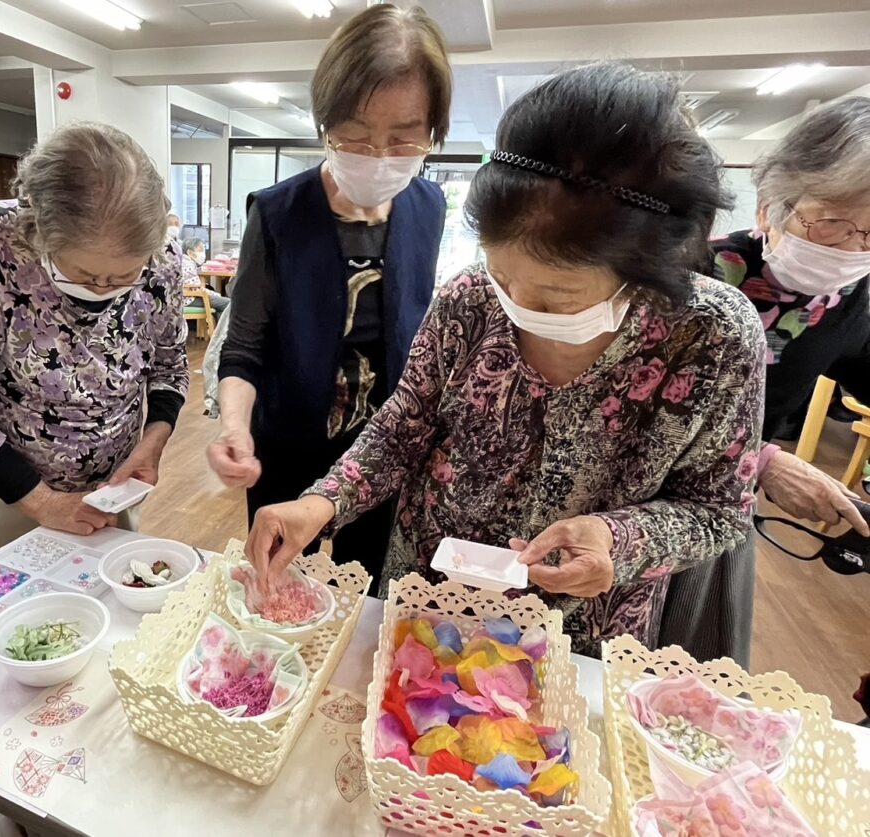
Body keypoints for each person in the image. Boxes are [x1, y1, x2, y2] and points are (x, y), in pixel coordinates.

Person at [244, 63, 767, 658]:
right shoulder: (470, 298)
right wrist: (323, 502)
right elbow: (404, 426)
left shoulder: (712, 337)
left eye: (556, 296)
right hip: (430, 593)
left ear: (649, 270)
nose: (517, 307)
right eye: (501, 276)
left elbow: (718, 509)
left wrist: (616, 540)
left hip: (578, 629)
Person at [208, 3, 451, 586]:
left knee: (368, 587)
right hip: (287, 443)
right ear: (326, 124)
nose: (378, 154)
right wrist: (234, 427)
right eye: (357, 135)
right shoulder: (277, 214)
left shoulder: (428, 207)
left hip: (382, 451)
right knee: (281, 581)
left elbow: (416, 337)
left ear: (432, 133)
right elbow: (243, 343)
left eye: (403, 138)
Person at [660, 96, 870, 666]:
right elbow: (638, 408)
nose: (851, 247)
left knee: (694, 652)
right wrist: (766, 462)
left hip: (725, 507)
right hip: (651, 494)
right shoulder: (695, 275)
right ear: (770, 207)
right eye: (831, 221)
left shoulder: (853, 303)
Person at [0, 122, 189, 560]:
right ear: (39, 234)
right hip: (5, 488)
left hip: (112, 486)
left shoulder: (163, 255)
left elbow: (169, 366)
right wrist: (43, 503)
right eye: (85, 275)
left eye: (124, 277)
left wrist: (151, 443)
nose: (104, 289)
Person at [181, 236, 230, 318]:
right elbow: (196, 289)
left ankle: (219, 330)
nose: (203, 253)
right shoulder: (187, 265)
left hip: (187, 297)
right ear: (190, 252)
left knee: (220, 305)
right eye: (200, 250)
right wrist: (215, 294)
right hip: (190, 299)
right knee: (228, 303)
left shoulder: (184, 261)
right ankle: (222, 330)